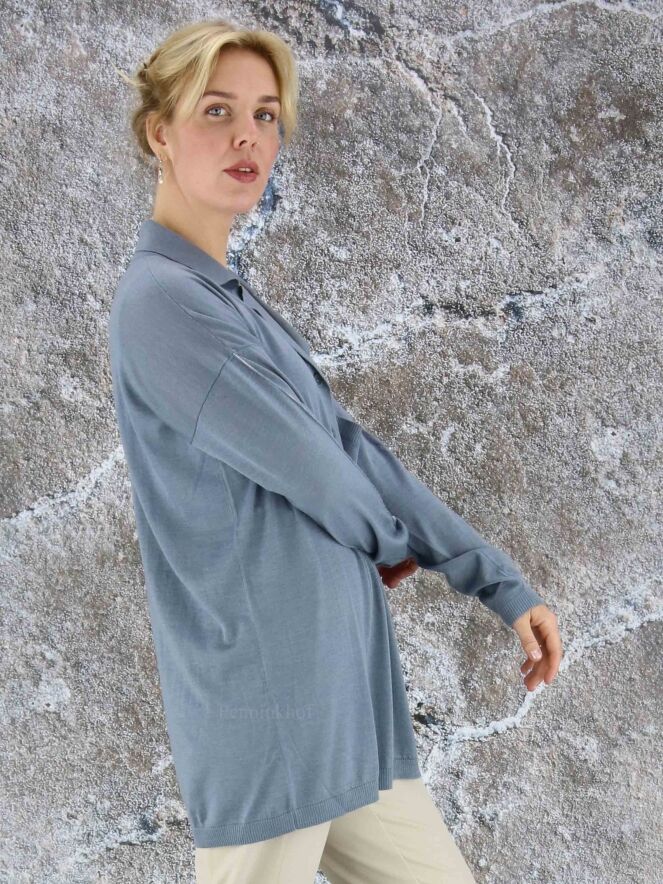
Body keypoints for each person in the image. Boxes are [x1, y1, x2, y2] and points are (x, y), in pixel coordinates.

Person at [109, 18, 563, 884]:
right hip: (271, 707)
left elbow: (350, 449)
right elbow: (318, 471)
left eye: (265, 115)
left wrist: (495, 580)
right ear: (159, 133)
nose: (248, 136)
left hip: (341, 700)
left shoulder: (228, 302)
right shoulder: (162, 302)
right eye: (216, 111)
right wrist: (385, 544)